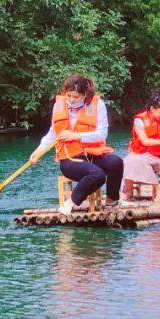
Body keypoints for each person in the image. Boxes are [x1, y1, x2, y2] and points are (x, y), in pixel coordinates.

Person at [29, 73, 123, 216]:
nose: (71, 100)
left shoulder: (98, 105)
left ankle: (112, 202)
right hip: (69, 159)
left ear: (85, 94)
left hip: (92, 154)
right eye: (69, 96)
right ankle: (71, 202)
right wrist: (38, 151)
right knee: (98, 175)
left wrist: (76, 136)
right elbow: (53, 133)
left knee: (116, 162)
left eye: (76, 97)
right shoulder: (59, 106)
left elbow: (102, 134)